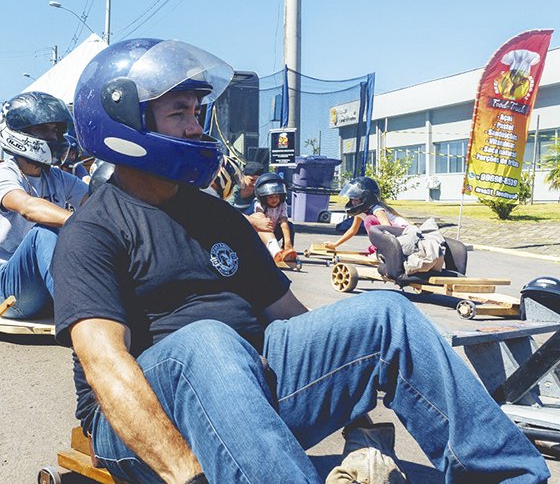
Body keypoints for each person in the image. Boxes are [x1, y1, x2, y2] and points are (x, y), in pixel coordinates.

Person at [52, 38, 548, 483]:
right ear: (127, 125)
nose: (197, 126)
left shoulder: (217, 217)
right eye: (179, 113)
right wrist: (187, 474)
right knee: (207, 341)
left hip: (250, 386)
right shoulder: (92, 231)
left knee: (383, 316)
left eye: (197, 111)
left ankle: (508, 476)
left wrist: (355, 411)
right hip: (138, 421)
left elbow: (290, 318)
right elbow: (106, 367)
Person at [0, 92, 88, 319]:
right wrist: (79, 221)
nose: (54, 136)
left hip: (41, 289)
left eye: (56, 130)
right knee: (44, 230)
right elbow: (28, 207)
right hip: (5, 291)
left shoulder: (57, 177)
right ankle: (81, 317)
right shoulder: (4, 174)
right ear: (20, 133)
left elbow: (95, 203)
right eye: (44, 130)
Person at [324, 176, 412, 254]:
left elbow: (387, 227)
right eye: (351, 199)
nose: (352, 203)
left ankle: (379, 249)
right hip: (396, 234)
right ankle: (378, 248)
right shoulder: (361, 211)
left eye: (355, 200)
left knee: (369, 220)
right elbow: (353, 230)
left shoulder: (377, 209)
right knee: (369, 220)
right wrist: (335, 244)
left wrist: (379, 248)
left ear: (366, 198)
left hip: (403, 233)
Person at [253, 172, 296, 262]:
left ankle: (287, 251)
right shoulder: (260, 205)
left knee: (290, 226)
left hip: (275, 230)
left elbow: (284, 223)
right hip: (263, 232)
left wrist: (288, 242)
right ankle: (267, 250)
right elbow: (261, 223)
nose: (275, 200)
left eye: (277, 196)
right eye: (271, 197)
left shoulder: (282, 204)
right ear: (264, 197)